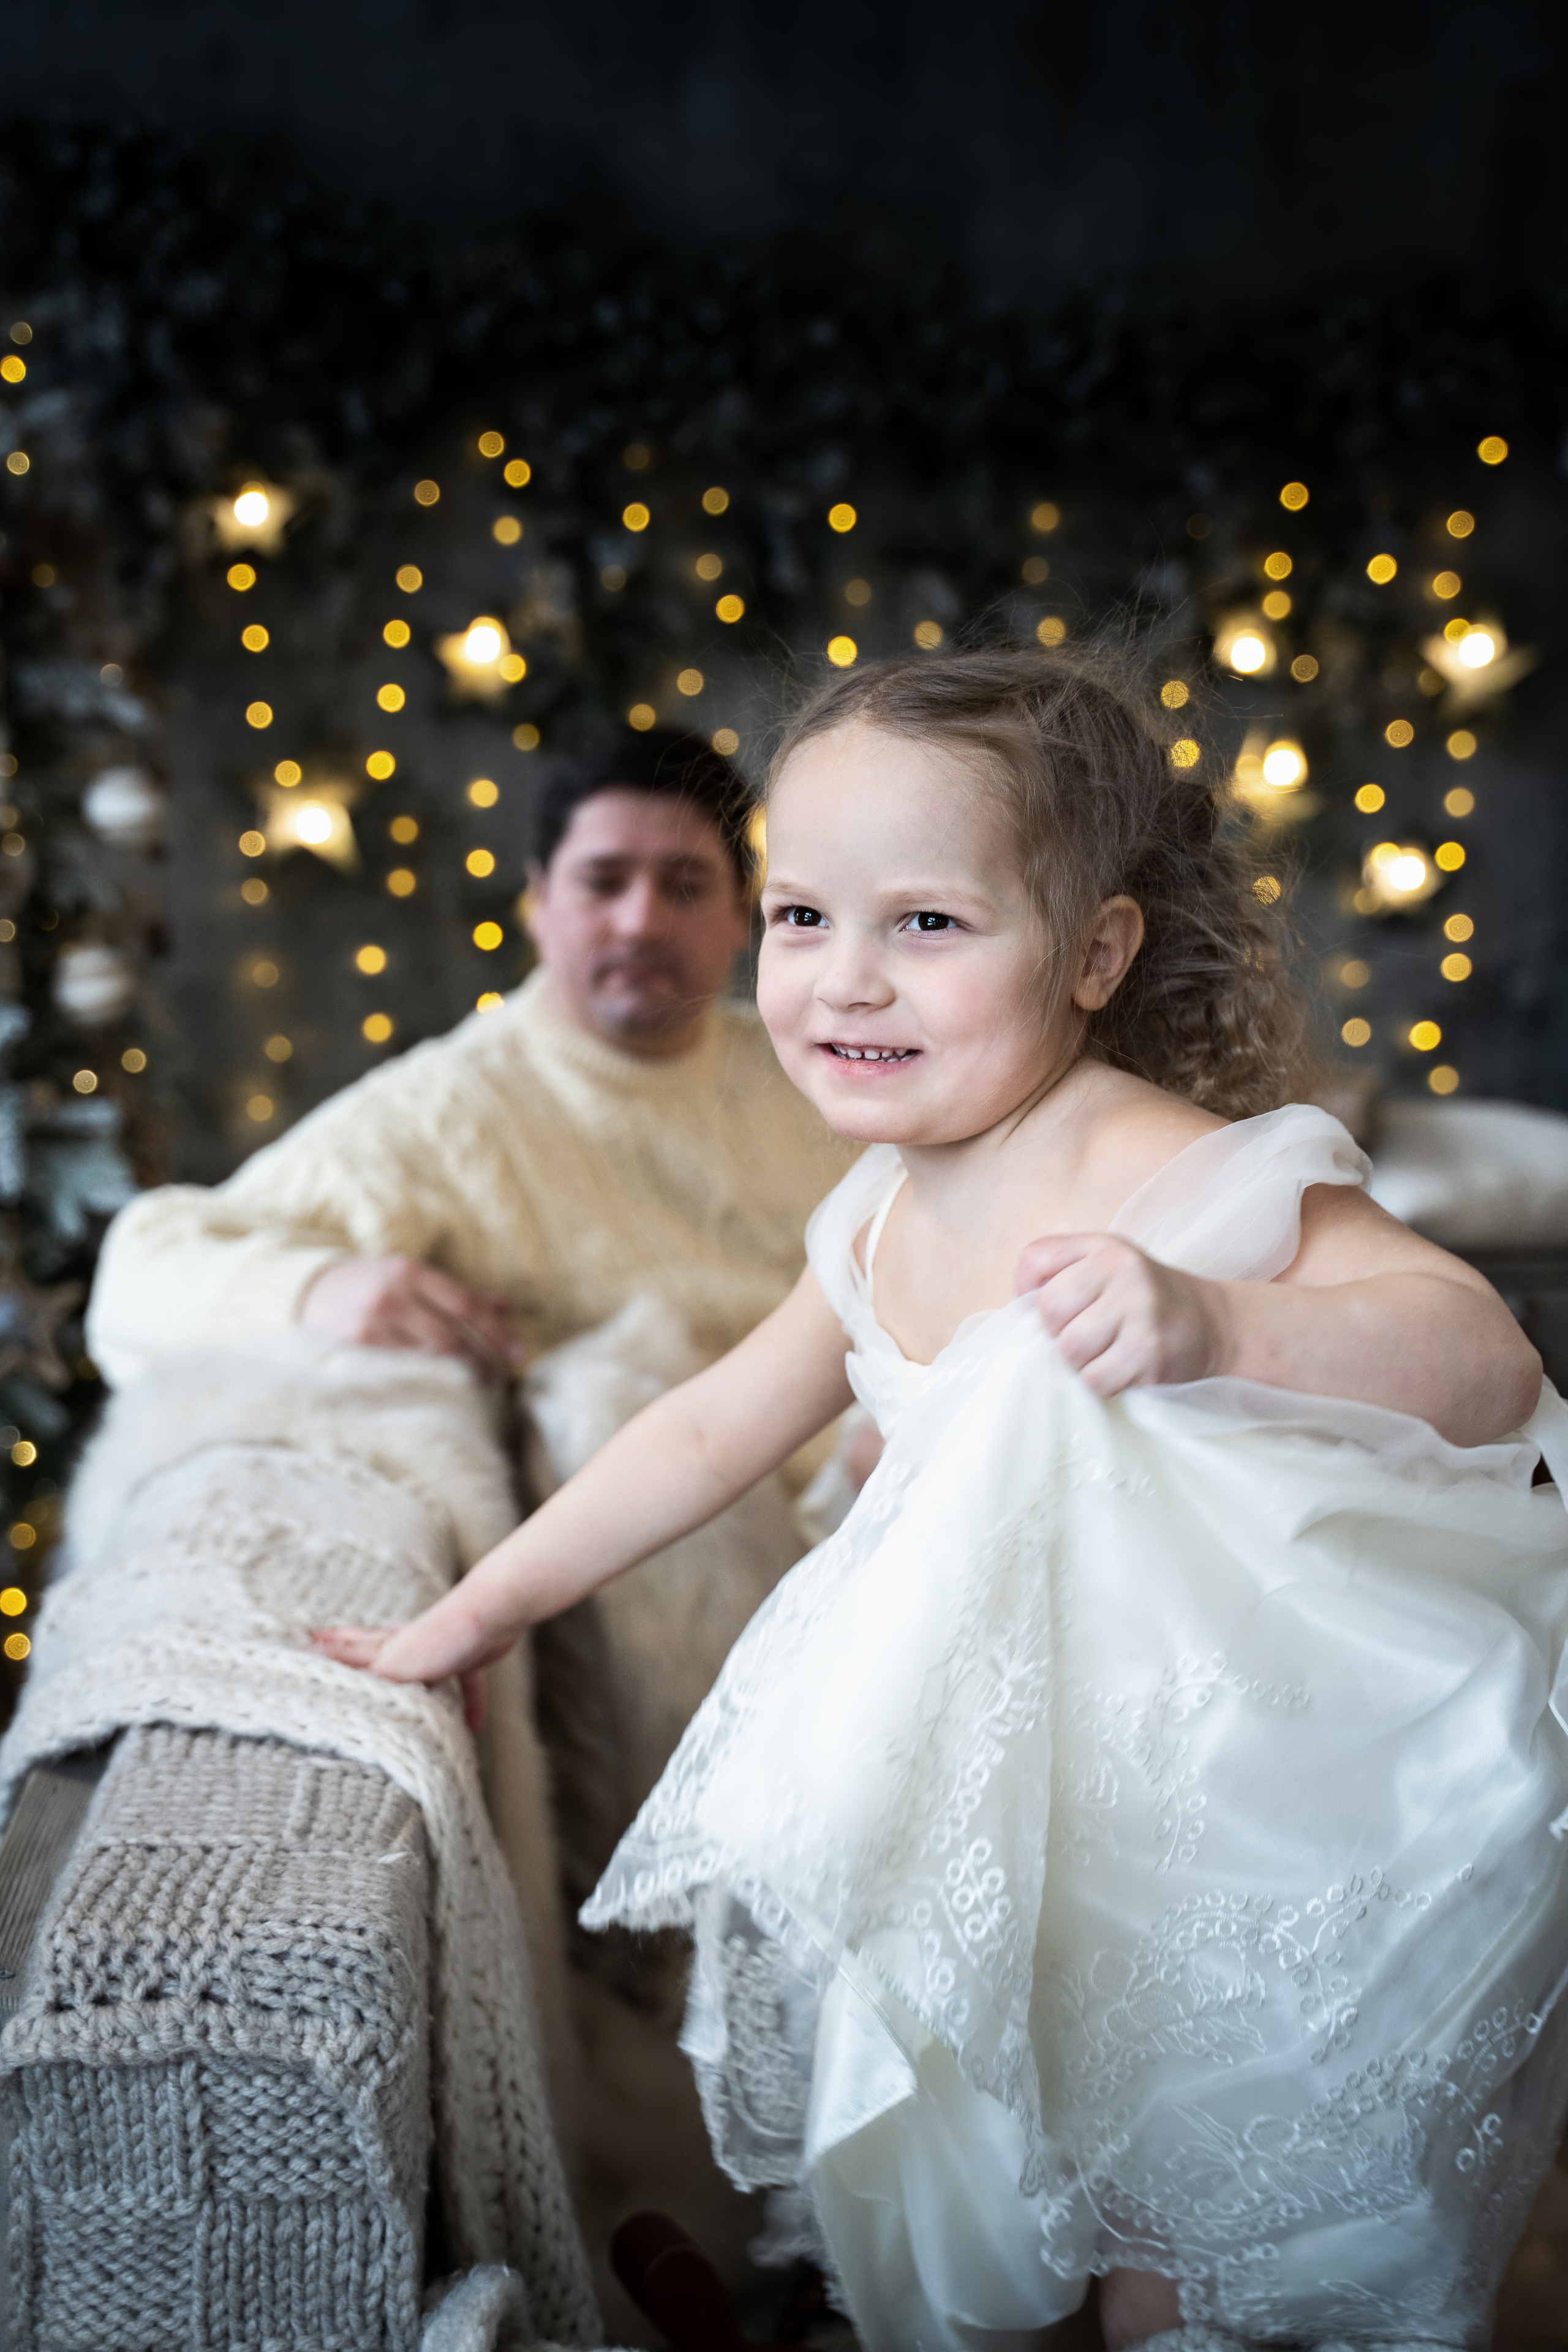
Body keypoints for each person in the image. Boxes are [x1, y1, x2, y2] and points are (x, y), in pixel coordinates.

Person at [316, 646, 1568, 2352]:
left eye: (927, 925)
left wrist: (1217, 1318)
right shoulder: (876, 1215)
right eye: (802, 917)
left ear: (1096, 952)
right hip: (1003, 1812)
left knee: (1195, 2258)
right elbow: (699, 1436)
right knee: (993, 2192)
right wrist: (472, 1615)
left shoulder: (1170, 1163)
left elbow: (1481, 1355)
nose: (846, 980)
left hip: (1243, 1816)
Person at [87, 723, 850, 1397]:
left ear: (741, 913)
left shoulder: (815, 1064)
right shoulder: (452, 1112)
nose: (640, 920)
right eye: (603, 881)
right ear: (539, 903)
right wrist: (317, 1289)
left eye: (684, 886)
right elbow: (139, 1277)